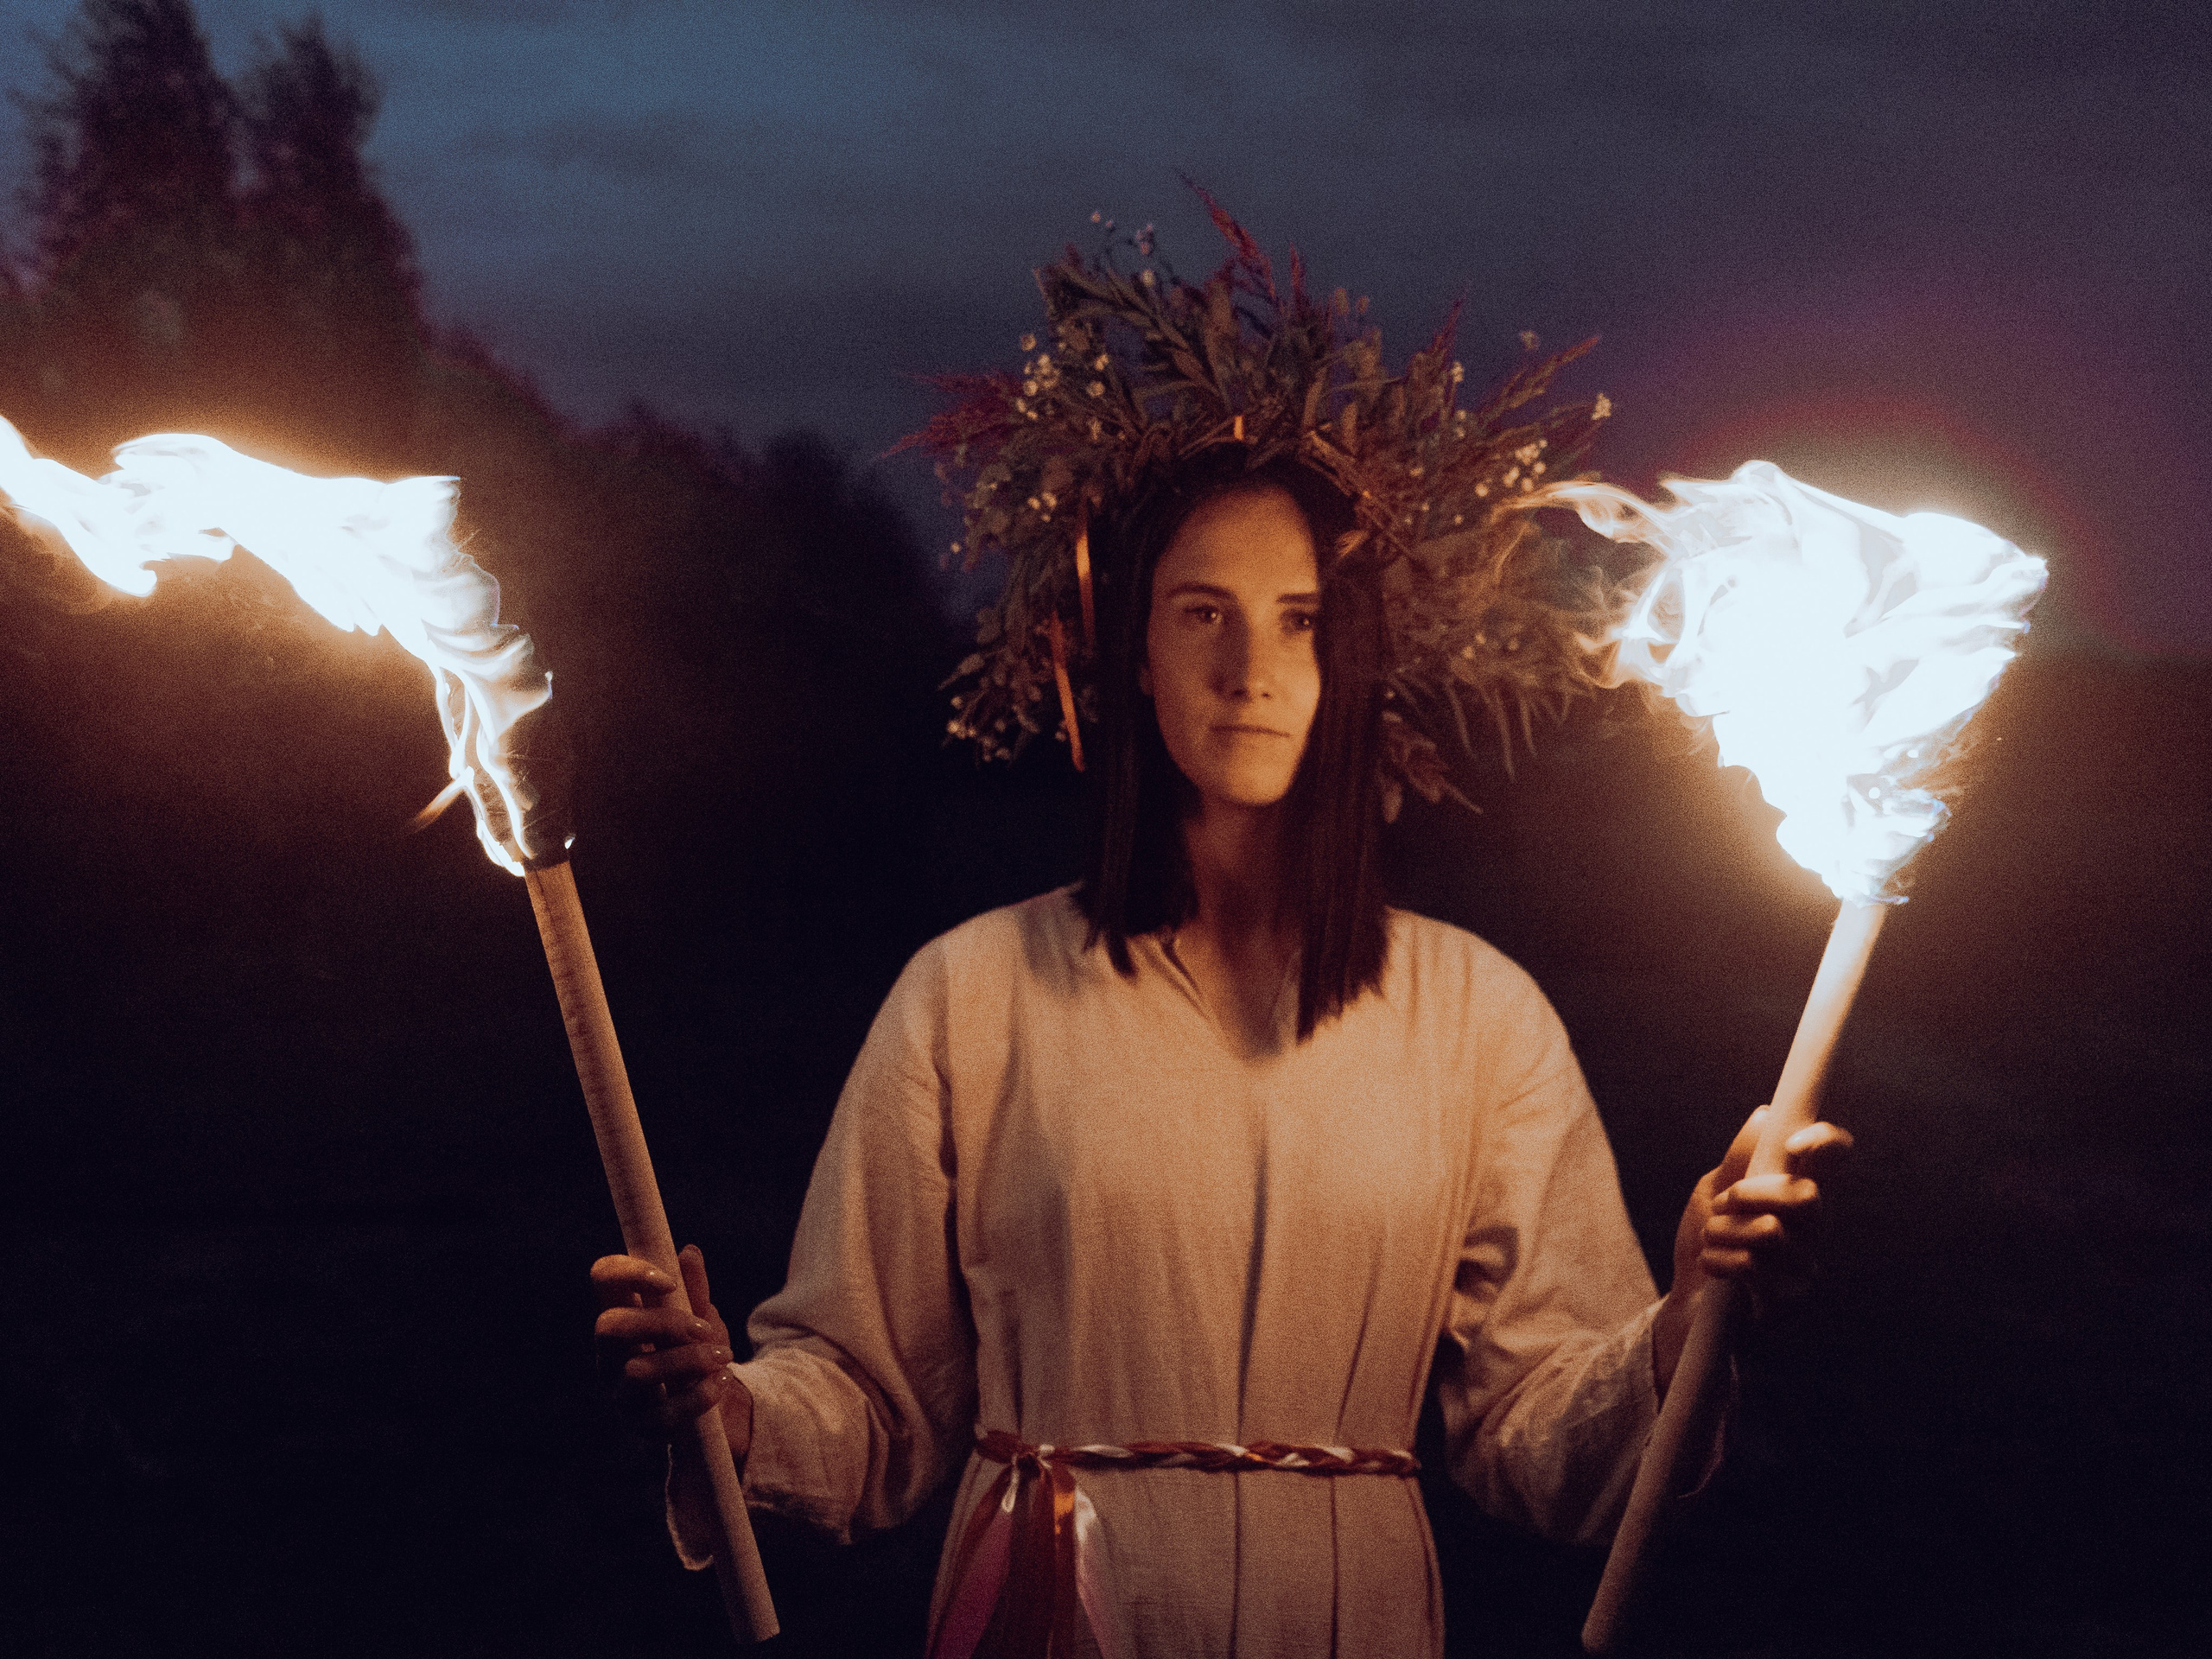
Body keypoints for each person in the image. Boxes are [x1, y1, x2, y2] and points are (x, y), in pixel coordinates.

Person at [593, 217, 1852, 1658]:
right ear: (1132, 650)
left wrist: (1686, 1320)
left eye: (1301, 621)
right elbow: (867, 1399)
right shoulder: (973, 996)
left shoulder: (1479, 1018)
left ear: (1350, 657)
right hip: (1054, 1614)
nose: (1252, 668)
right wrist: (733, 1408)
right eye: (1204, 614)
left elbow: (1544, 1430)